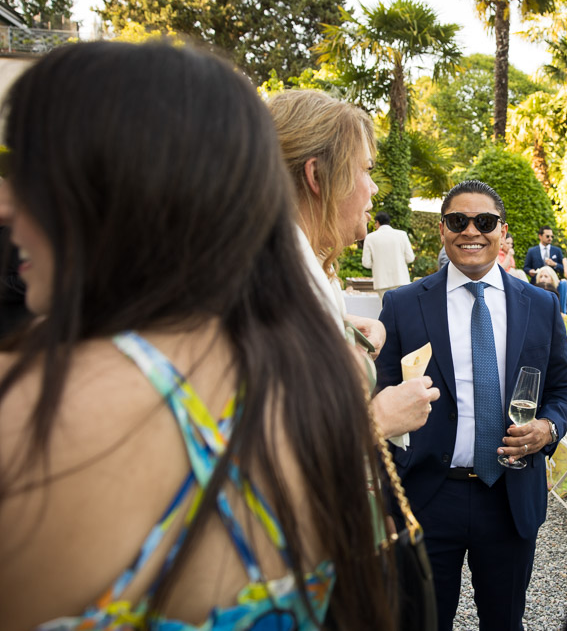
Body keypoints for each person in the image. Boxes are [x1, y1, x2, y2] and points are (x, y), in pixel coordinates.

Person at [0, 41, 392, 629]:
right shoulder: (302, 376)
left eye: (32, 171)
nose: (7, 204)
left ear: (123, 185)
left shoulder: (30, 408)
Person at [375, 180, 567, 631]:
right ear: (444, 231)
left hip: (508, 495)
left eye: (484, 222)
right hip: (427, 494)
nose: (472, 231)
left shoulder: (541, 306)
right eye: (458, 221)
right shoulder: (403, 305)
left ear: (503, 232)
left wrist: (547, 428)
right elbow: (381, 398)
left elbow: (566, 388)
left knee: (504, 622)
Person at [267, 89, 437, 440]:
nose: (373, 188)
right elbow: (273, 438)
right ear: (318, 176)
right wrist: (379, 419)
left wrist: (340, 325)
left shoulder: (284, 264)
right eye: (365, 169)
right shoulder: (277, 281)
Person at [362, 210, 416, 298]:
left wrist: (378, 265)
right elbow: (410, 258)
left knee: (386, 310)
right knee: (403, 310)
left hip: (381, 282)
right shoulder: (402, 235)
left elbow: (366, 263)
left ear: (377, 222)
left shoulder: (370, 238)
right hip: (401, 280)